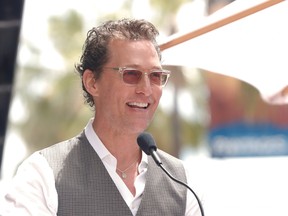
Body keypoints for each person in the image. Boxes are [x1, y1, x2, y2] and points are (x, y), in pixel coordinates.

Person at [2, 18, 203, 215]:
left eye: (155, 76)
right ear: (92, 82)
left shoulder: (182, 182)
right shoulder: (42, 175)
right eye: (131, 74)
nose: (146, 89)